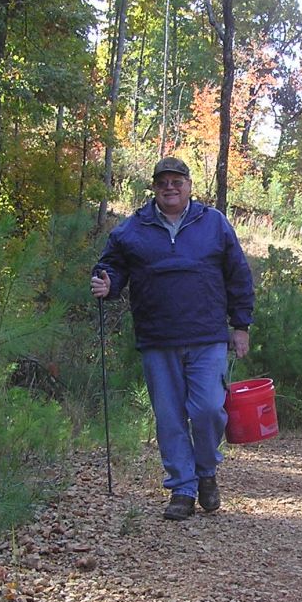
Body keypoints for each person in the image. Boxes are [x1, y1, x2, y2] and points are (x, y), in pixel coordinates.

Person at [90, 157, 255, 522]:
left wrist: (240, 325)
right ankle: (183, 488)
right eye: (163, 181)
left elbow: (238, 274)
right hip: (157, 337)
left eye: (176, 181)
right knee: (169, 417)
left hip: (207, 335)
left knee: (209, 409)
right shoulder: (133, 228)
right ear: (154, 188)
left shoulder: (213, 223)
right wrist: (107, 283)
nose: (170, 187)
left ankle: (206, 470)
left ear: (189, 185)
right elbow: (111, 266)